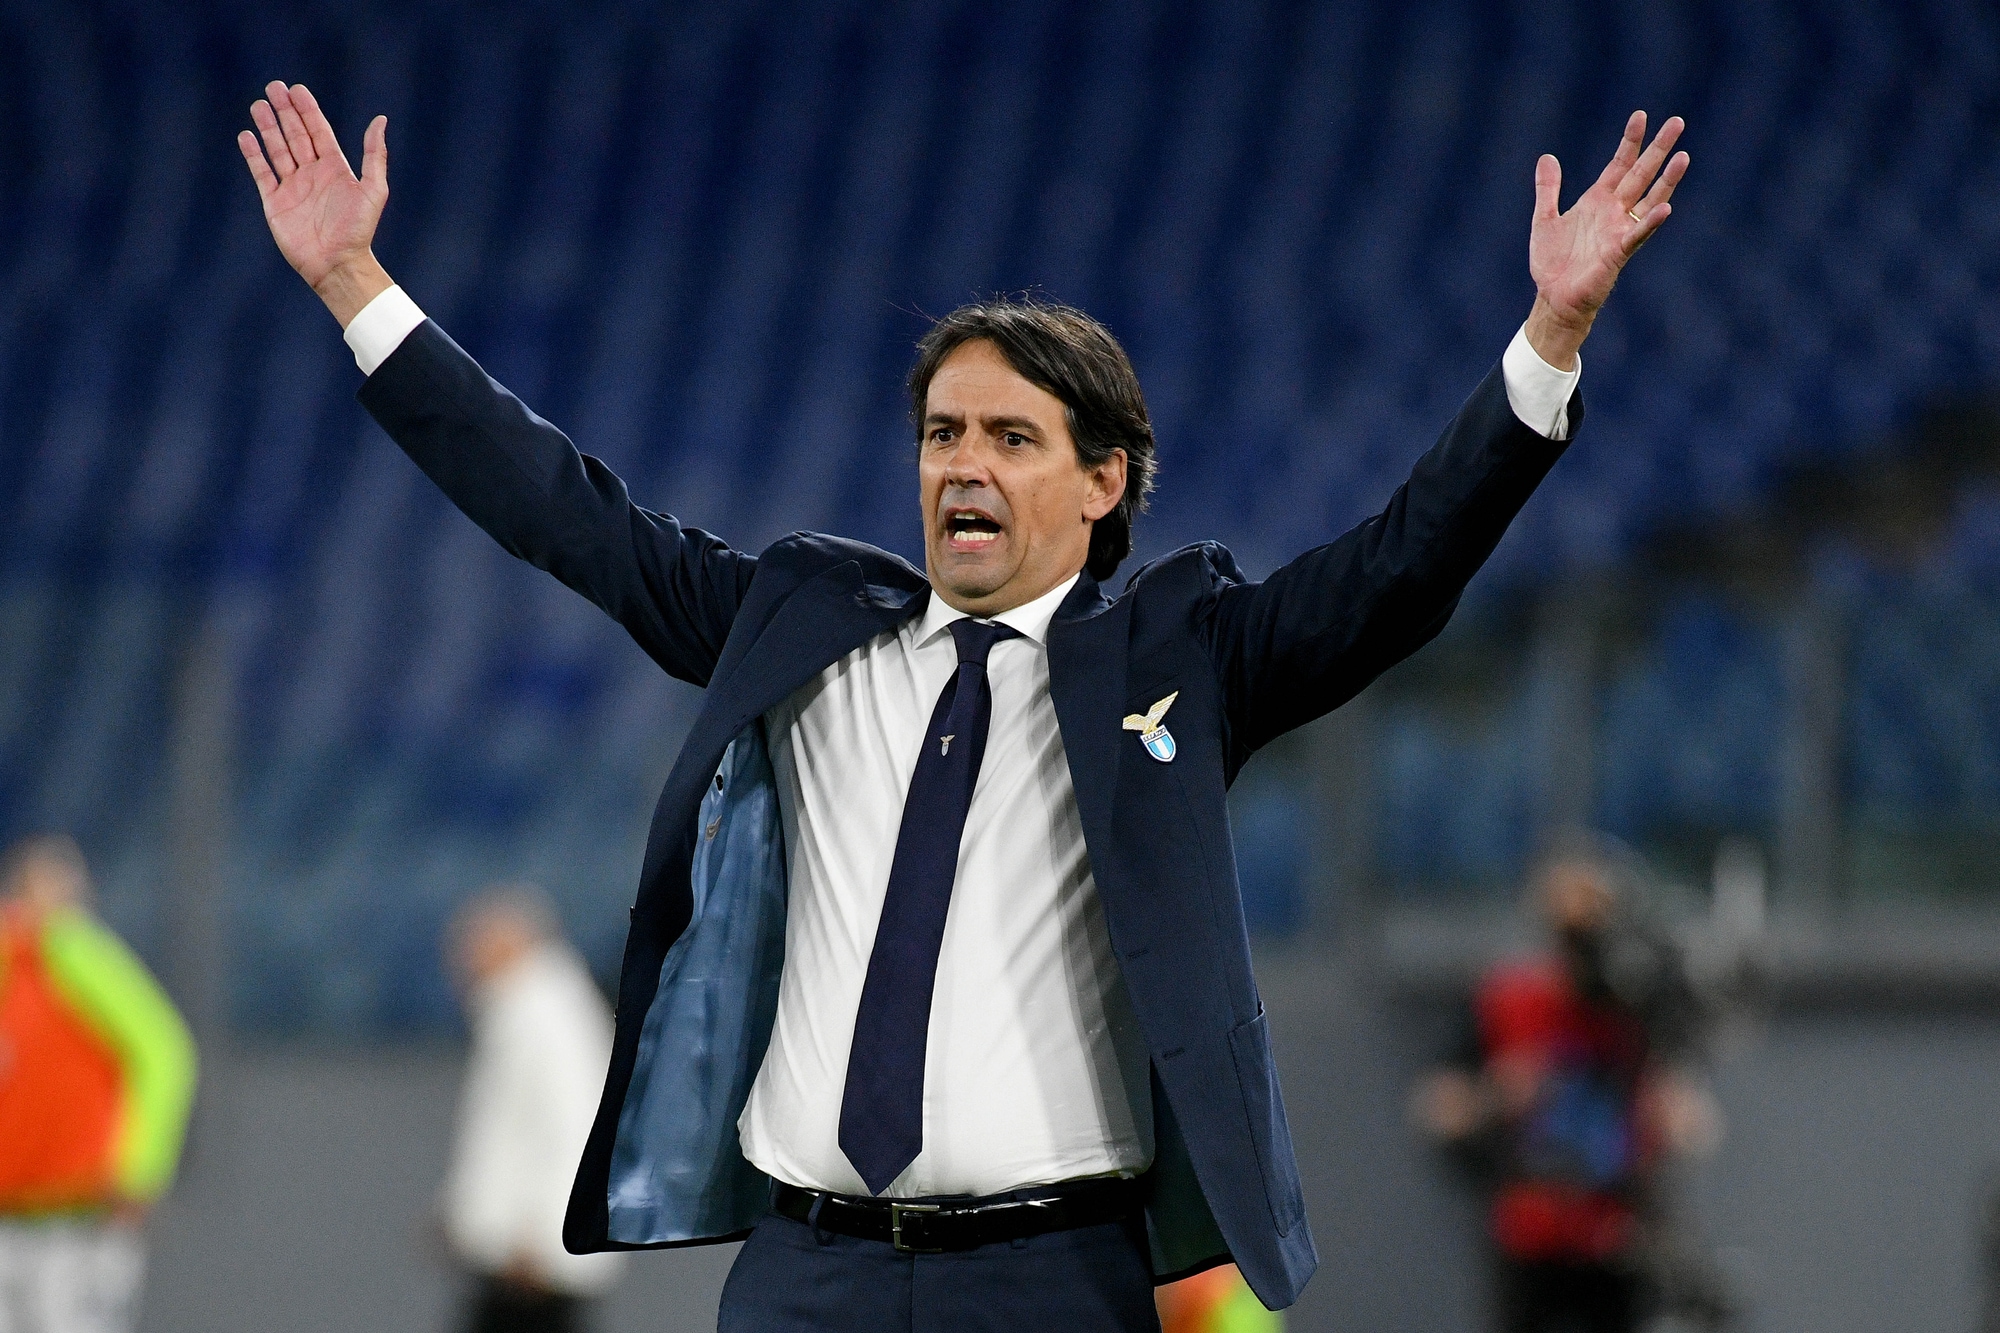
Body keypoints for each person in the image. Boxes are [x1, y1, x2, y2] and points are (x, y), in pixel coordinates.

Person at [237, 78, 1688, 1330]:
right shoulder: (805, 624)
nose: (962, 465)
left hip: (1049, 1277)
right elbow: (566, 510)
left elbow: (1399, 567)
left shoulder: (1181, 657)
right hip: (806, 1276)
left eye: (1009, 435)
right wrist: (358, 288)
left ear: (1103, 480)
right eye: (941, 433)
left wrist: (1549, 338)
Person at [1409, 840, 1726, 1333]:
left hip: (1619, 1241)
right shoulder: (1509, 999)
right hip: (1531, 1240)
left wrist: (1668, 1113)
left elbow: (1694, 1121)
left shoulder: (1639, 1009)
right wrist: (1501, 1093)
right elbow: (1436, 1107)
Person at [0, 835, 197, 1333]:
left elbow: (164, 1053)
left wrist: (139, 1172)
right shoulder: (15, 965)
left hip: (77, 1217)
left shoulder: (78, 956)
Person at [441, 886, 624, 1333]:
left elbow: (573, 1129)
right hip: (519, 1261)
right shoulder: (531, 1009)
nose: (461, 964)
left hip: (531, 1268)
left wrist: (541, 1239)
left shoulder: (545, 1014)